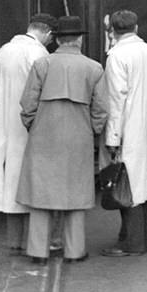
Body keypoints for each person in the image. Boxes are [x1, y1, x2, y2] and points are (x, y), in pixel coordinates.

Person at [16, 16, 107, 264]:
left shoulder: (41, 64)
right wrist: (93, 131)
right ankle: (75, 251)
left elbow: (27, 104)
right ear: (79, 39)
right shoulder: (94, 68)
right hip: (79, 138)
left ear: (56, 39)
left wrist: (34, 126)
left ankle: (37, 251)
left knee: (40, 194)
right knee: (75, 195)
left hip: (43, 136)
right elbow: (101, 110)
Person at [99, 9, 147, 257]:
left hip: (129, 127)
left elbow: (116, 99)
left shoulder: (116, 56)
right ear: (136, 28)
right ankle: (145, 236)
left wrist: (112, 138)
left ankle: (132, 242)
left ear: (113, 31)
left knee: (129, 183)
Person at [0, 12, 56, 254]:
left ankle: (14, 240)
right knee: (34, 185)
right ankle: (36, 241)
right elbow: (44, 91)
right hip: (31, 125)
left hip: (6, 124)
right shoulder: (38, 53)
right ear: (47, 33)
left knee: (11, 183)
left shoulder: (4, 50)